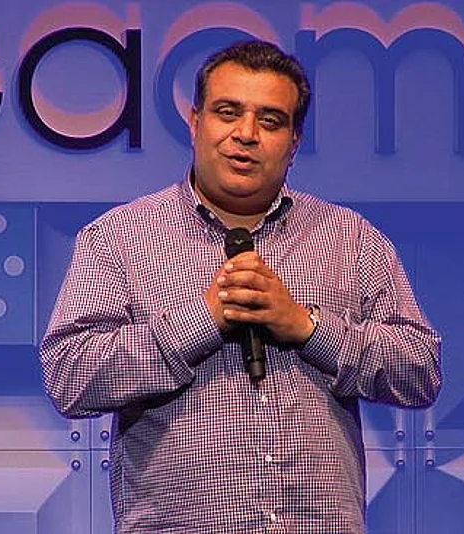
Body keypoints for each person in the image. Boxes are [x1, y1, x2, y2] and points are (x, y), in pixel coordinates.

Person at [40, 40, 442, 534]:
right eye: (227, 112)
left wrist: (308, 328)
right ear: (195, 122)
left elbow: (420, 372)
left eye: (270, 121)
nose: (246, 134)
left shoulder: (351, 239)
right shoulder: (118, 238)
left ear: (294, 141)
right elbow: (71, 378)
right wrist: (203, 321)